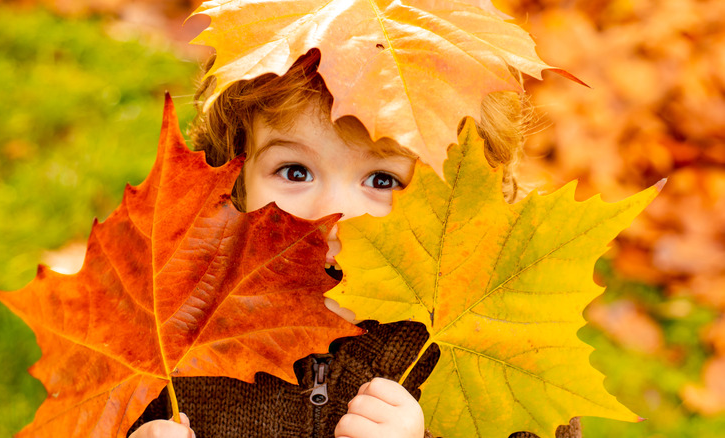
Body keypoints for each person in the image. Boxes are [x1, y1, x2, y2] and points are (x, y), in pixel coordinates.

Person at [128, 50, 579, 438]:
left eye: (382, 180)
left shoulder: (498, 349)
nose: (331, 215)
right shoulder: (173, 332)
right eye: (294, 171)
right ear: (236, 177)